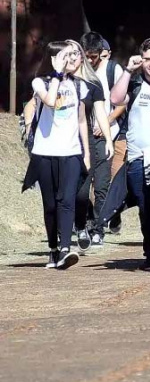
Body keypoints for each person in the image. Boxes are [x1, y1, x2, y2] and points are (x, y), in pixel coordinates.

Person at [108, 38, 150, 270]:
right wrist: (128, 70)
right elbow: (115, 99)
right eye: (147, 59)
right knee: (145, 205)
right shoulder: (135, 85)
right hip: (137, 157)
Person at [25, 41, 91, 269]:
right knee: (51, 205)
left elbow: (81, 120)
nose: (71, 59)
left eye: (73, 55)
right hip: (45, 152)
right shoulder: (40, 82)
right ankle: (53, 249)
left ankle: (65, 249)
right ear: (53, 59)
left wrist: (86, 152)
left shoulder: (79, 85)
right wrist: (56, 75)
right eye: (65, 55)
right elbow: (51, 101)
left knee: (67, 200)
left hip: (71, 151)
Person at [80, 32, 128, 240]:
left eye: (94, 56)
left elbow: (122, 103)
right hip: (81, 136)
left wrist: (106, 122)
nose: (90, 60)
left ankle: (98, 229)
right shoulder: (77, 70)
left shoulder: (112, 70)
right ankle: (87, 220)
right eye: (87, 56)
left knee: (102, 184)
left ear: (101, 53)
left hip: (106, 135)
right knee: (82, 186)